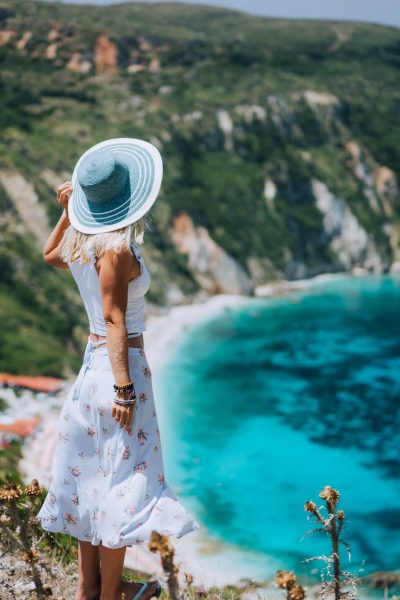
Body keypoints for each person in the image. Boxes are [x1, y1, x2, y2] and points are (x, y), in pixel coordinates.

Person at [37, 138, 201, 600]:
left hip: (91, 370)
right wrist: (125, 389)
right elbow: (113, 319)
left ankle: (91, 588)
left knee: (92, 478)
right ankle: (111, 595)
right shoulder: (118, 250)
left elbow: (50, 255)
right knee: (123, 485)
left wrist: (68, 214)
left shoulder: (83, 241)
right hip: (119, 368)